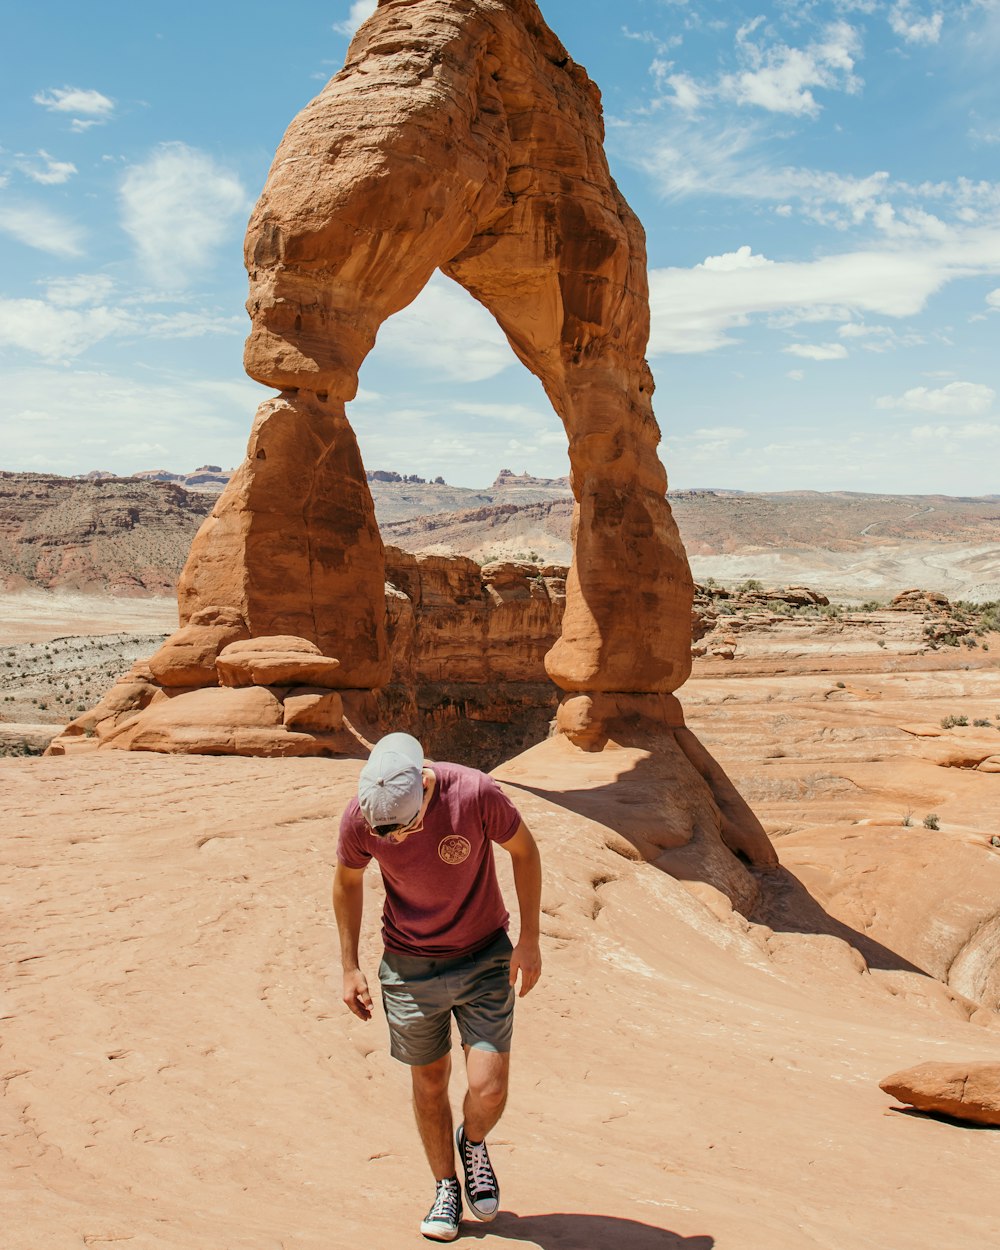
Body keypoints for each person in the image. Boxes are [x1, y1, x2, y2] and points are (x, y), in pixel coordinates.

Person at [333, 732, 543, 1242]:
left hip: (484, 956)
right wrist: (349, 966)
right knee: (429, 1084)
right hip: (408, 968)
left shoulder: (474, 793)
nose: (397, 840)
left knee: (488, 1087)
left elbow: (525, 850)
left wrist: (531, 939)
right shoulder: (363, 815)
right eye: (388, 833)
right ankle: (446, 1186)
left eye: (405, 828)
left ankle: (472, 1143)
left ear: (425, 787)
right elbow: (347, 882)